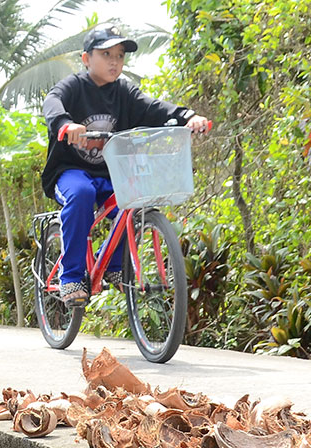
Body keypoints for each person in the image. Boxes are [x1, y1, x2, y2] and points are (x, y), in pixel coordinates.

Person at [41, 24, 211, 306]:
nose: (114, 61)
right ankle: (70, 277)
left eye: (119, 55)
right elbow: (52, 101)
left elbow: (154, 107)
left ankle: (113, 266)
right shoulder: (74, 86)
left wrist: (188, 116)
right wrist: (65, 124)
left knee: (134, 204)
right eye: (106, 54)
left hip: (111, 175)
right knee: (81, 194)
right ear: (86, 59)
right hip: (70, 172)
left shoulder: (124, 92)